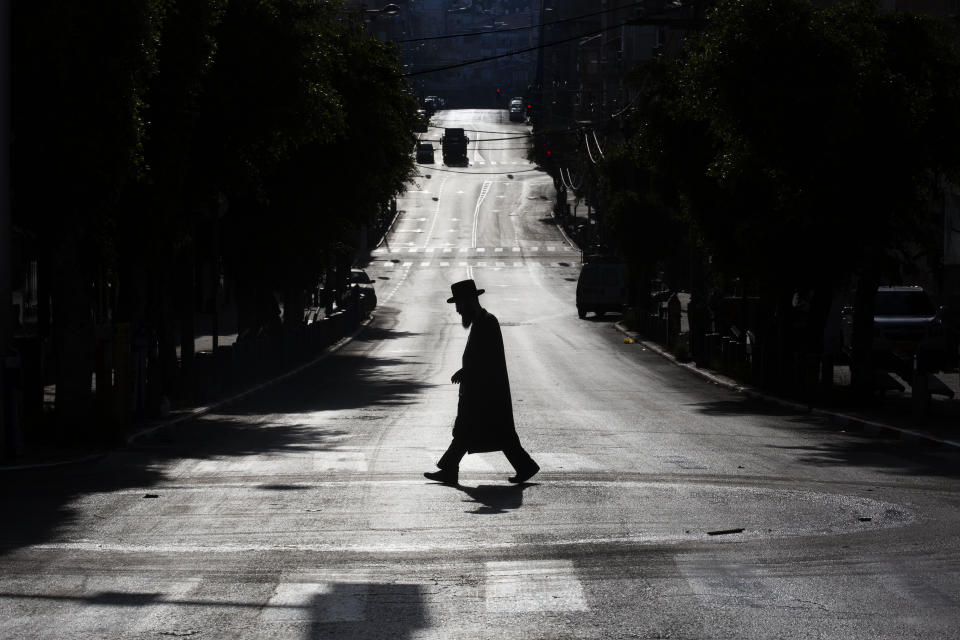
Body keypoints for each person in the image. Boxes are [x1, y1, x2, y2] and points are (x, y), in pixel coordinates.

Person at [424, 279, 540, 486]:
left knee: (486, 432)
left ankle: (524, 466)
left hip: (487, 392)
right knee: (472, 431)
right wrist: (466, 372)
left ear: (469, 301)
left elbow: (488, 358)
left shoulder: (488, 322)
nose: (458, 310)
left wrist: (466, 371)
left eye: (459, 305)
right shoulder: (481, 322)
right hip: (480, 390)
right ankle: (523, 466)